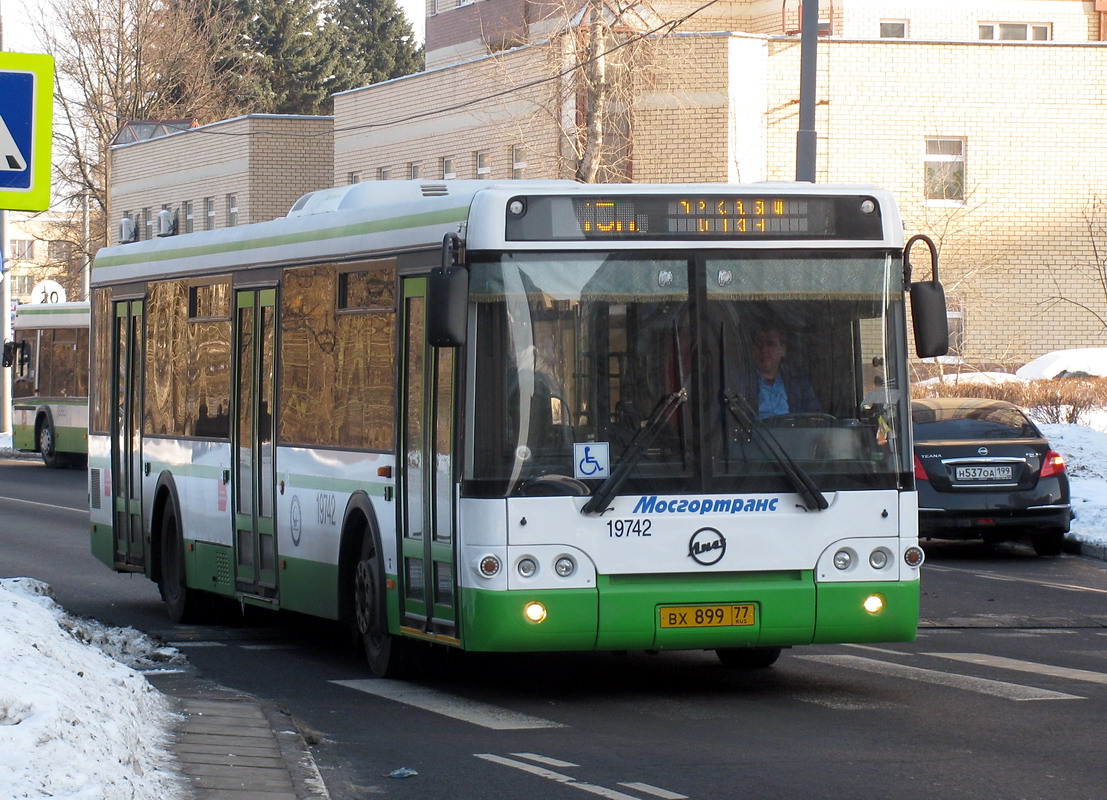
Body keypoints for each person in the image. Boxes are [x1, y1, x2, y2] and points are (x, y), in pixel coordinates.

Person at [748, 326, 821, 419]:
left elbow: (815, 417)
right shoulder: (742, 382)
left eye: (770, 344)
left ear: (783, 350)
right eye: (759, 344)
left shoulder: (799, 383)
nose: (764, 349)